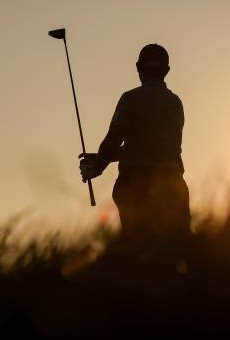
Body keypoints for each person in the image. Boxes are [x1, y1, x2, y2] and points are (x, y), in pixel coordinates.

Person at [79, 44, 190, 244]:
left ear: (138, 67)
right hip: (173, 184)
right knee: (176, 248)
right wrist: (105, 158)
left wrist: (98, 165)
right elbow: (153, 147)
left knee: (139, 249)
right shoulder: (175, 103)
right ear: (166, 70)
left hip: (136, 184)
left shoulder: (130, 99)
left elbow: (115, 141)